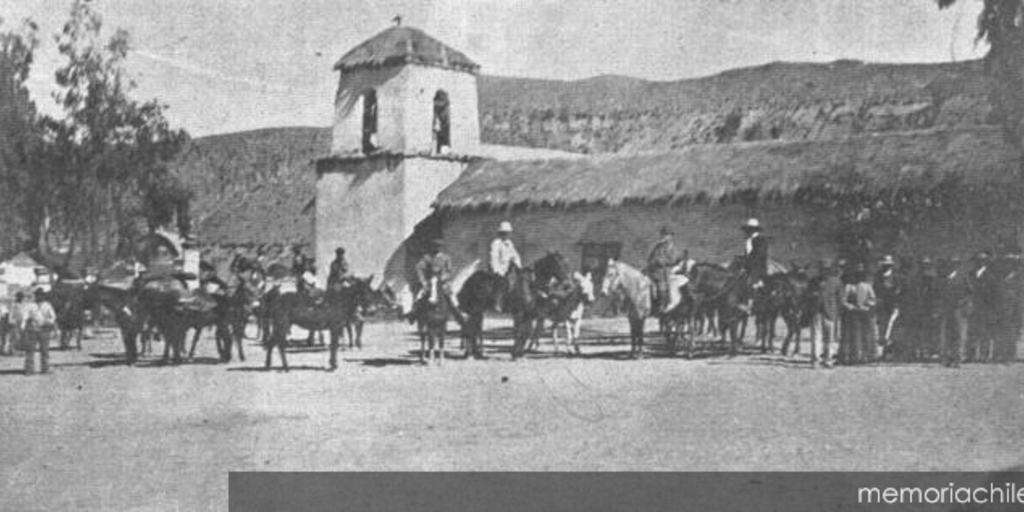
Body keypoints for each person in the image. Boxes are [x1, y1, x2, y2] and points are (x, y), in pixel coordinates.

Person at [840, 264, 876, 365]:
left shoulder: (867, 286)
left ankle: (866, 356)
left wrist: (867, 305)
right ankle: (853, 356)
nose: (858, 277)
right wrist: (851, 307)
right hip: (853, 314)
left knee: (866, 335)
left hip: (865, 313)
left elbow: (873, 299)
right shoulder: (849, 286)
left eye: (860, 275)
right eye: (857, 275)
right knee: (854, 335)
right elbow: (843, 300)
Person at [647, 227, 688, 314]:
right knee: (660, 287)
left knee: (683, 284)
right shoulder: (657, 248)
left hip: (672, 271)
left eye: (666, 235)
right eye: (663, 235)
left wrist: (677, 266)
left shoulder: (677, 248)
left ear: (671, 237)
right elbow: (651, 259)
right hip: (660, 272)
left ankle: (682, 305)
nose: (664, 237)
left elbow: (679, 260)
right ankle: (661, 306)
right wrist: (657, 261)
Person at [811, 259, 843, 368]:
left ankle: (816, 361)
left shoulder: (814, 281)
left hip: (817, 312)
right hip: (830, 312)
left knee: (817, 337)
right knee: (829, 338)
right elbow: (840, 300)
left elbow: (807, 297)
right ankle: (827, 360)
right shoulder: (836, 281)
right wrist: (838, 313)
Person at [415, 239, 459, 313]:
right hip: (430, 280)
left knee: (452, 295)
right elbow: (420, 268)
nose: (437, 249)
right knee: (420, 295)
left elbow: (449, 270)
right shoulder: (427, 258)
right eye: (435, 247)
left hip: (443, 280)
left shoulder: (446, 257)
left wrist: (445, 276)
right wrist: (423, 281)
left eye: (439, 247)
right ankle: (415, 312)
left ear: (442, 248)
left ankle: (457, 310)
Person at [21, 289, 56, 375]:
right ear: (35, 296)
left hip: (44, 330)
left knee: (45, 350)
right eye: (37, 295)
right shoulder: (30, 305)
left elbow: (53, 317)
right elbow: (25, 316)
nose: (39, 296)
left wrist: (47, 322)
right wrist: (23, 325)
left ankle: (45, 368)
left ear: (43, 296)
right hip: (32, 330)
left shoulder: (47, 305)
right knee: (30, 351)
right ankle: (29, 369)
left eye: (41, 295)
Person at [489, 221, 522, 312]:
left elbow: (515, 255)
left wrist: (519, 267)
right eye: (504, 233)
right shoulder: (496, 243)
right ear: (500, 233)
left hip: (507, 269)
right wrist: (497, 270)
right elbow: (493, 257)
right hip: (497, 268)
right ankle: (497, 302)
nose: (506, 235)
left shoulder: (509, 243)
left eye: (507, 233)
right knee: (501, 282)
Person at [873, 255, 903, 352]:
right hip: (882, 303)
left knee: (891, 323)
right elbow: (875, 288)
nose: (886, 267)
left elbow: (899, 289)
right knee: (881, 322)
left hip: (893, 303)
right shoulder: (878, 275)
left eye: (888, 265)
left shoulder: (896, 276)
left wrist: (893, 293)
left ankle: (888, 343)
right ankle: (882, 344)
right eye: (884, 265)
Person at [741, 218, 769, 284]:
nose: (748, 231)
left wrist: (746, 264)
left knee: (752, 285)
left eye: (750, 229)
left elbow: (758, 255)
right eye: (748, 229)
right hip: (747, 267)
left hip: (757, 268)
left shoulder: (761, 240)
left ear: (755, 230)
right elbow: (747, 254)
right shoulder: (748, 240)